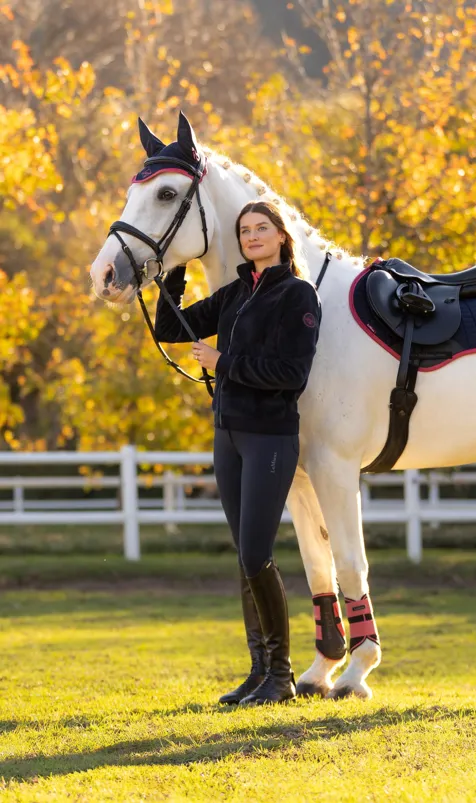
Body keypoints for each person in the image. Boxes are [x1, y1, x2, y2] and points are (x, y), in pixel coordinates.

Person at [153, 200, 322, 705]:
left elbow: (291, 375)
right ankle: (258, 671)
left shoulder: (298, 296)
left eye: (261, 229)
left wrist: (224, 361)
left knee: (256, 553)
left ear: (280, 236)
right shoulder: (235, 293)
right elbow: (171, 328)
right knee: (246, 559)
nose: (251, 237)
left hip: (269, 437)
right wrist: (176, 269)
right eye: (245, 231)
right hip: (227, 435)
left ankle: (281, 676)